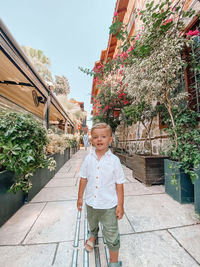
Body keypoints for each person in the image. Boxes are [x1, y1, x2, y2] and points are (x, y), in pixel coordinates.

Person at [77, 122, 125, 267]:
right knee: (92, 223)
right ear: (91, 139)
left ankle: (114, 261)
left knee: (111, 234)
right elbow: (83, 179)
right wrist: (80, 198)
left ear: (110, 139)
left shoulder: (114, 161)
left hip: (109, 206)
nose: (99, 140)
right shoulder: (88, 159)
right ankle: (92, 235)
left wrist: (120, 205)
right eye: (96, 137)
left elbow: (119, 183)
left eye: (103, 136)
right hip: (91, 202)